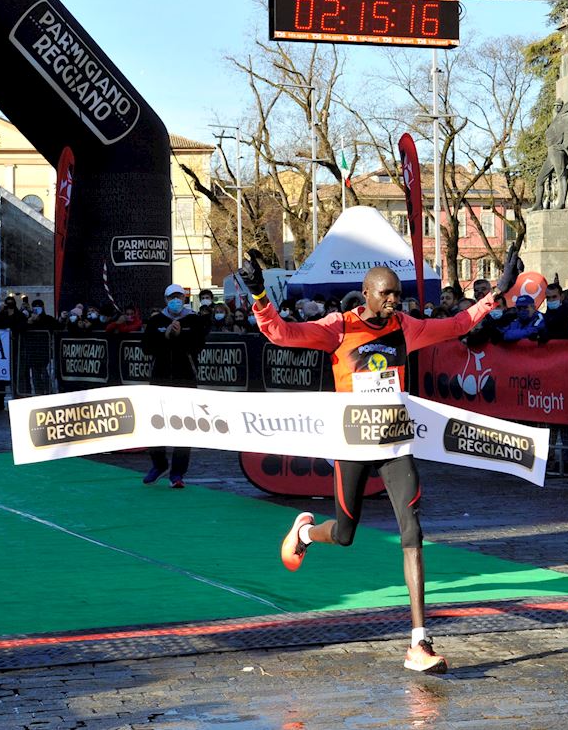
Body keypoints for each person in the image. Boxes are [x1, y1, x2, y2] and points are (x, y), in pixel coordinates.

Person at [246, 249, 523, 674]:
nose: (396, 301)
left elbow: (457, 324)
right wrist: (260, 296)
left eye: (399, 294)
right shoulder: (338, 328)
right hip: (353, 447)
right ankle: (304, 532)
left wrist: (495, 295)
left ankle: (419, 641)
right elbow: (282, 334)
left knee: (413, 531)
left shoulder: (405, 327)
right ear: (366, 295)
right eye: (387, 295)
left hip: (395, 446)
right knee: (344, 533)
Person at [141, 283, 209, 488]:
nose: (176, 300)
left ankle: (178, 473)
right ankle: (159, 464)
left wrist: (180, 336)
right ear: (166, 300)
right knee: (155, 426)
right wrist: (165, 335)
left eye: (179, 297)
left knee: (183, 428)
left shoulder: (193, 320)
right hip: (160, 379)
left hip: (185, 380)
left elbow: (198, 345)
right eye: (172, 297)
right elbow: (147, 347)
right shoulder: (157, 321)